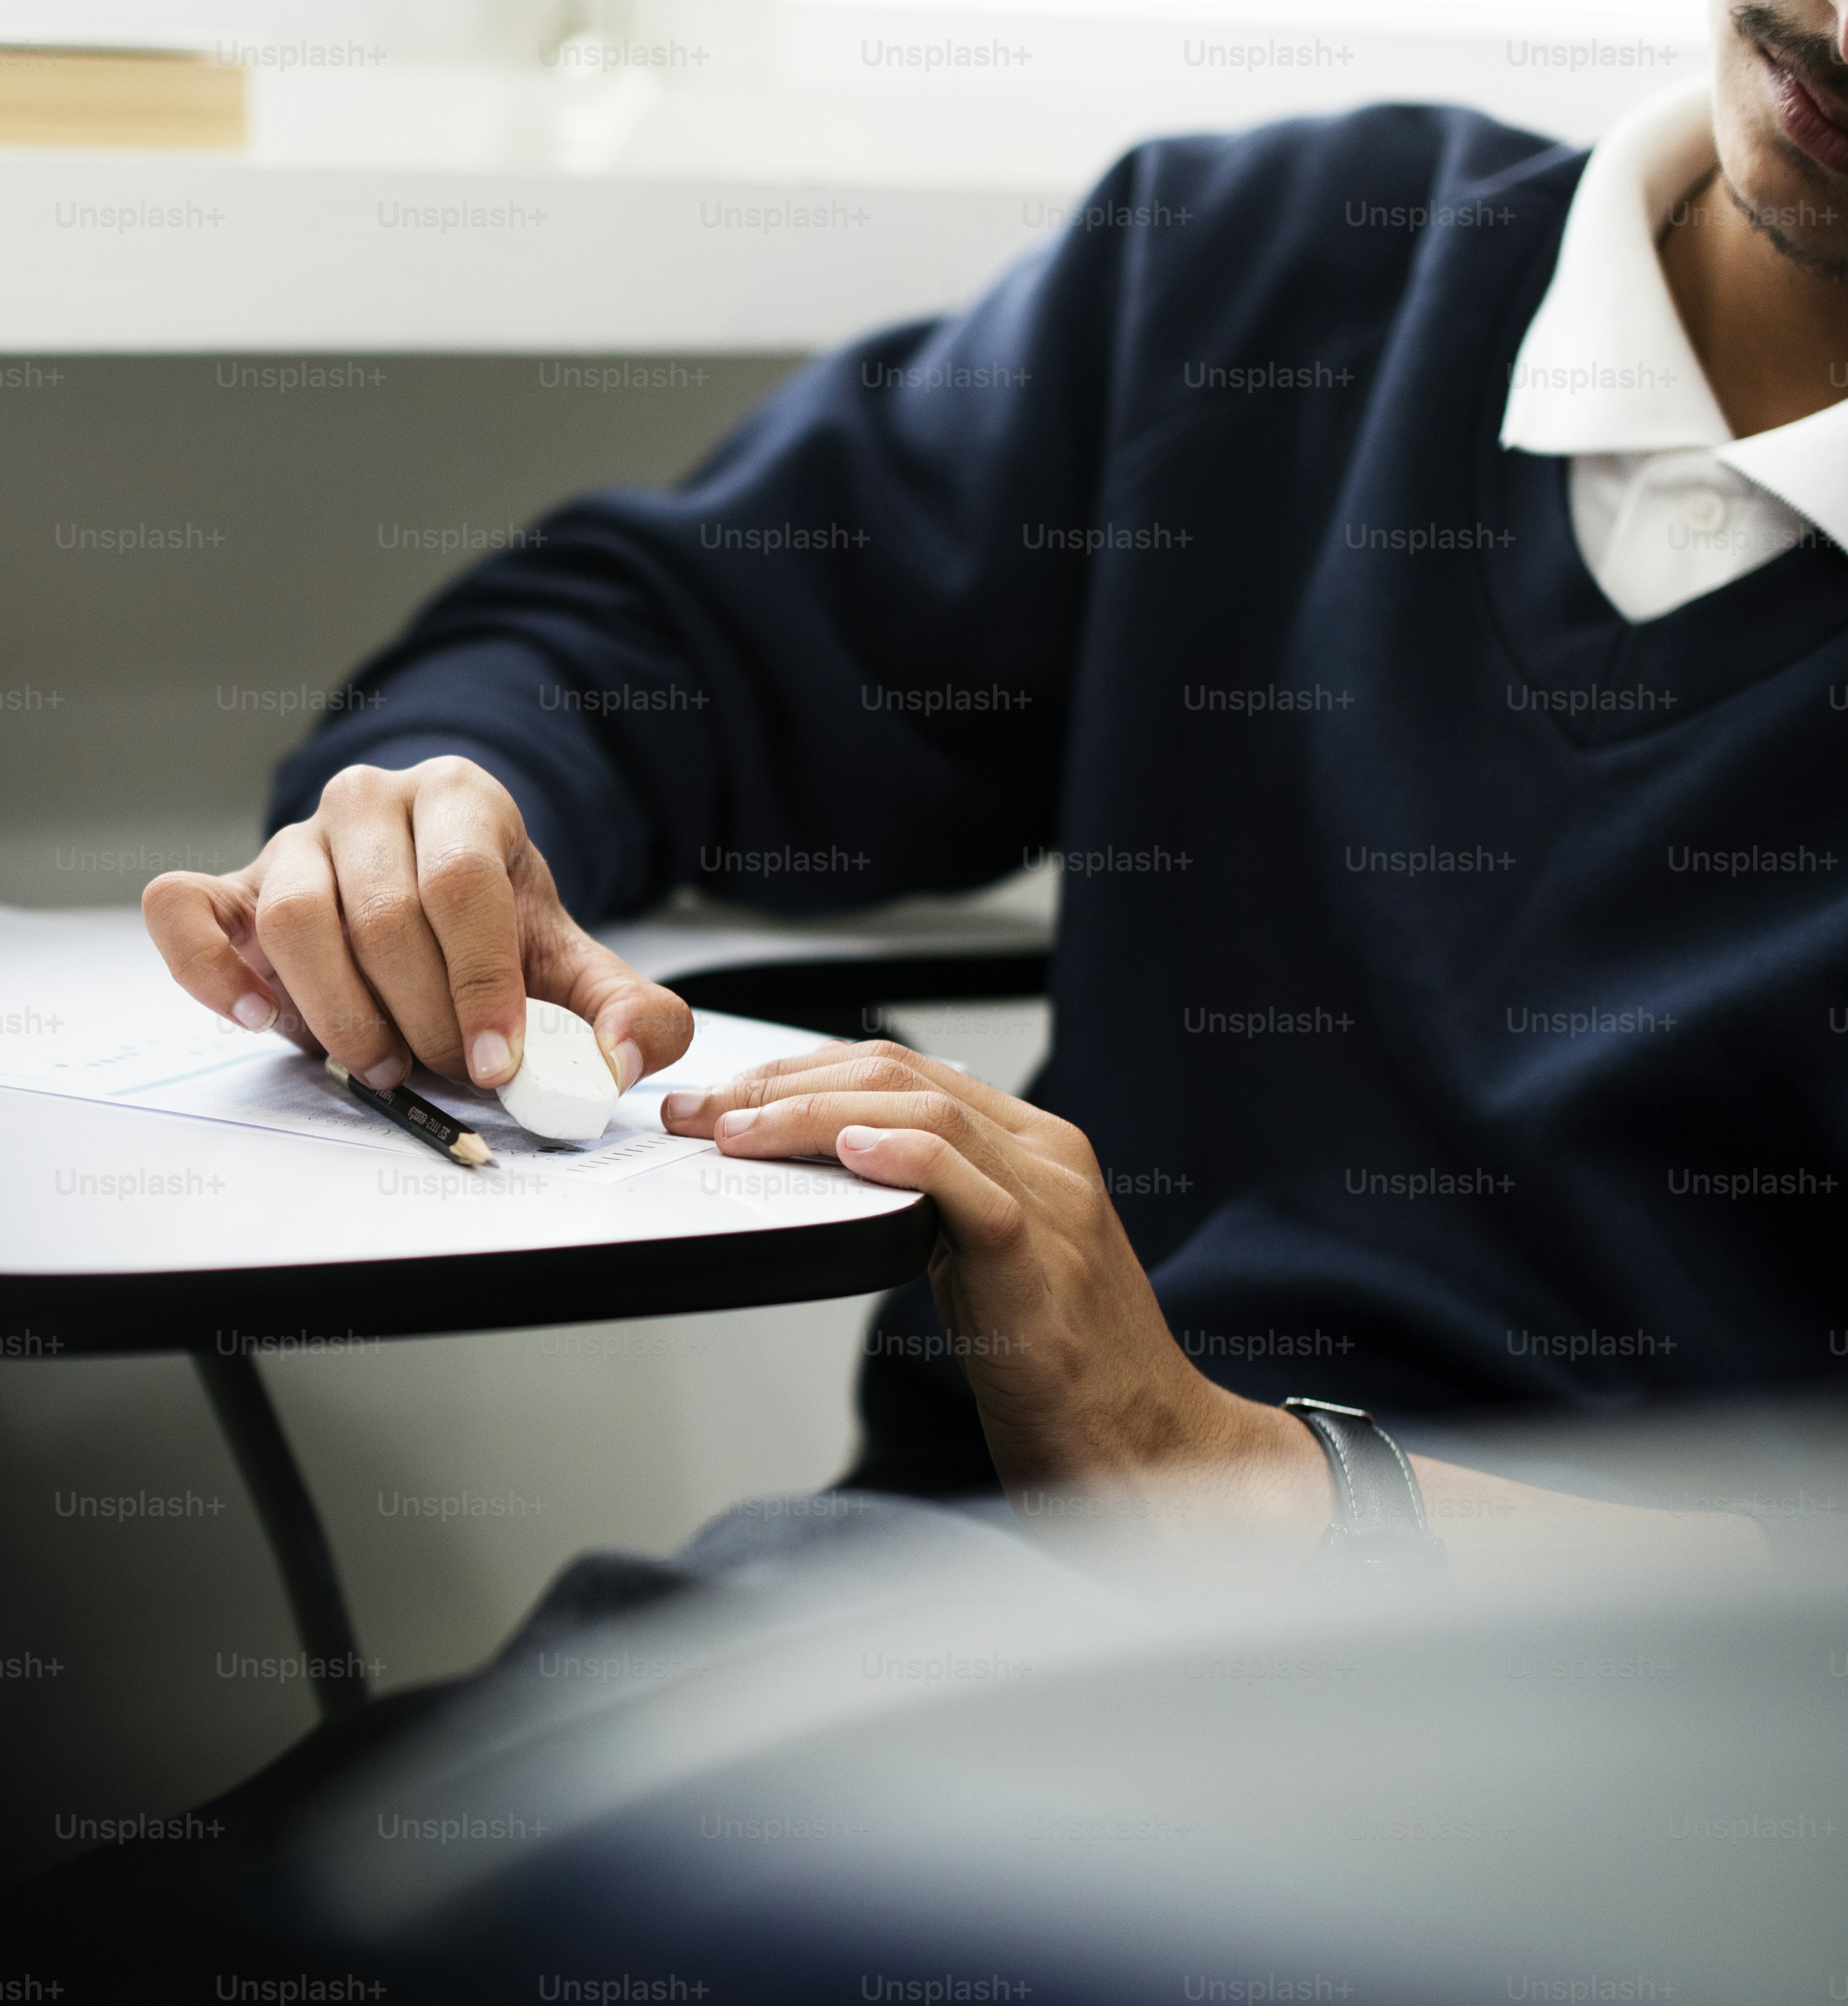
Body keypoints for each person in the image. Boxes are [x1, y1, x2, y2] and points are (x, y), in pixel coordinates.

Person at [145, 14, 1848, 1569]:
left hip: (1612, 1751)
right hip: (931, 1595)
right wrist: (456, 823)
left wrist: (1234, 1480)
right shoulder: (1267, 273)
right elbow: (665, 641)